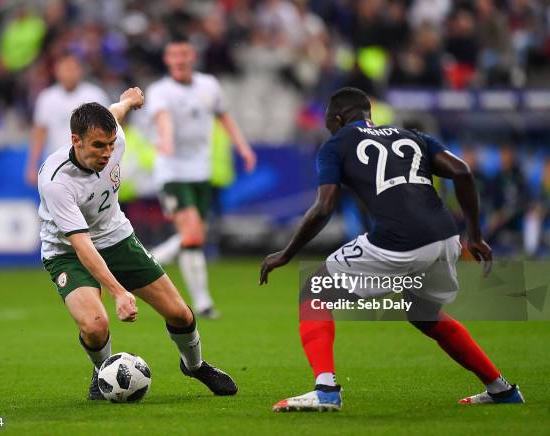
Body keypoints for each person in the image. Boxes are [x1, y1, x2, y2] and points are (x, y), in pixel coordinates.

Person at [260, 87, 524, 411]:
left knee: (315, 291)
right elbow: (461, 171)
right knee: (424, 314)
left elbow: (323, 207)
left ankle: (325, 389)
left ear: (339, 118)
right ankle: (501, 389)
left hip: (401, 241)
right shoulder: (412, 135)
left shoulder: (336, 144)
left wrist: (286, 253)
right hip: (445, 238)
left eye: (330, 122)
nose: (328, 127)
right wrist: (475, 235)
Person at [38, 87, 237, 400]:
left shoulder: (115, 137)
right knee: (95, 324)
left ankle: (195, 365)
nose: (106, 153)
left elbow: (116, 112)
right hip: (67, 252)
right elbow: (82, 246)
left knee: (180, 314)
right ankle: (102, 371)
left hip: (117, 238)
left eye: (110, 144)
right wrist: (118, 293)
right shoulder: (57, 182)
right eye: (98, 146)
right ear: (75, 140)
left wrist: (129, 101)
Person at [145, 37, 257, 319]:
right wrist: (167, 141)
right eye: (173, 54)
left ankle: (160, 264)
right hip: (172, 172)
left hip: (201, 172)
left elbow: (225, 117)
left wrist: (243, 147)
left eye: (183, 53)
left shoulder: (209, 85)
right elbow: (163, 119)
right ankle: (201, 300)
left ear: (192, 55)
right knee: (192, 232)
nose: (179, 60)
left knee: (194, 238)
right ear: (167, 60)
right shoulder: (160, 90)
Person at [25, 54, 110, 186]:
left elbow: (108, 132)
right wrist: (32, 166)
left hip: (90, 168)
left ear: (80, 71)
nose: (70, 73)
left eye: (73, 69)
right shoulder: (47, 98)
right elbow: (40, 133)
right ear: (57, 71)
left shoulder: (95, 95)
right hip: (57, 168)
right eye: (65, 69)